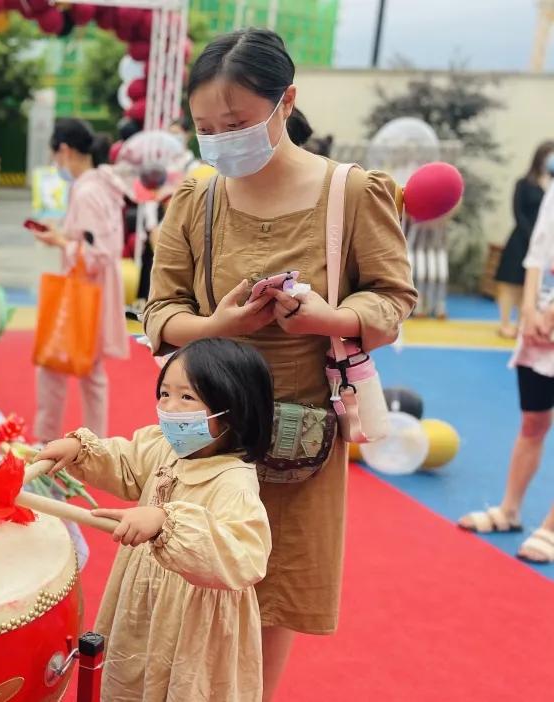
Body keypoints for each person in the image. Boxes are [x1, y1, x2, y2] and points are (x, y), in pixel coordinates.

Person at [142, 29, 417, 699]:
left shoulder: (351, 194)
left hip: (300, 440)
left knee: (273, 595)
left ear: (286, 101)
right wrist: (214, 327)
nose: (220, 139)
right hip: (202, 437)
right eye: (206, 127)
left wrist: (330, 319)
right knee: (189, 584)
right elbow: (158, 312)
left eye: (235, 123)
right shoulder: (196, 200)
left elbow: (393, 299)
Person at [35, 338, 274, 701]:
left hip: (193, 621)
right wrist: (82, 452)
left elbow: (244, 555)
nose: (169, 408)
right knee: (133, 674)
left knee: (182, 685)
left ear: (232, 410)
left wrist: (167, 522)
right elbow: (127, 462)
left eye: (187, 398)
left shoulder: (233, 482)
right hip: (144, 600)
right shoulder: (166, 447)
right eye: (164, 393)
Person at [459, 181, 554, 563]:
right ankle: (509, 510)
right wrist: (529, 310)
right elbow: (536, 252)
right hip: (540, 328)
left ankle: (550, 528)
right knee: (532, 421)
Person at [31, 118, 129, 441]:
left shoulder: (86, 190)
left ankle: (46, 441)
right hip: (95, 290)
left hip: (84, 290)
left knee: (55, 366)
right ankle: (94, 445)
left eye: (56, 155)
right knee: (90, 372)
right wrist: (63, 237)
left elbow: (96, 252)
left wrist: (60, 242)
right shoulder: (104, 184)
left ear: (65, 150)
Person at [494, 141, 554, 338]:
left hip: (546, 246)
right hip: (521, 239)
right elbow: (518, 212)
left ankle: (523, 323)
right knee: (510, 283)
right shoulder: (524, 183)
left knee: (528, 285)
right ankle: (504, 323)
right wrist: (531, 236)